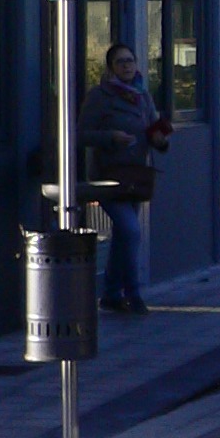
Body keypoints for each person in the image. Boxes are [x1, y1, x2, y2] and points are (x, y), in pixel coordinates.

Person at [80, 42, 170, 314]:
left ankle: (109, 293)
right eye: (121, 62)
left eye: (130, 60)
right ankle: (133, 293)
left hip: (136, 177)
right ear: (111, 68)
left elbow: (154, 126)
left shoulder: (143, 96)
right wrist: (111, 138)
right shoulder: (100, 96)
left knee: (124, 236)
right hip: (109, 177)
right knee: (131, 230)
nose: (127, 66)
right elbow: (81, 133)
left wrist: (159, 139)